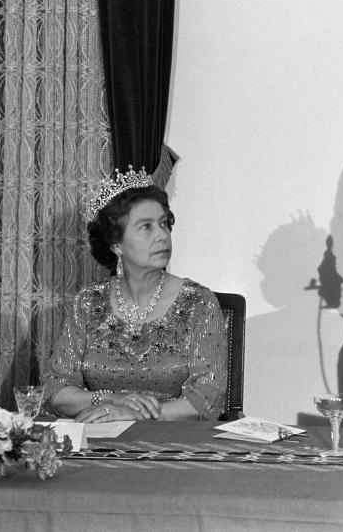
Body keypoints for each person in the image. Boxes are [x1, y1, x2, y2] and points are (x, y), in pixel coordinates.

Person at [42, 167, 228, 422]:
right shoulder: (88, 301)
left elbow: (206, 400)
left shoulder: (198, 301)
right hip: (99, 440)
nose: (162, 236)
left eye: (164, 224)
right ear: (116, 244)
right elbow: (56, 391)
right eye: (146, 227)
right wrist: (110, 400)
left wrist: (132, 416)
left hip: (171, 446)